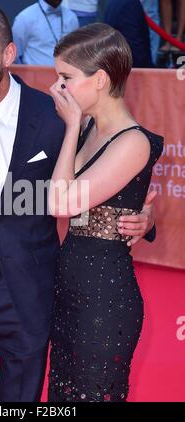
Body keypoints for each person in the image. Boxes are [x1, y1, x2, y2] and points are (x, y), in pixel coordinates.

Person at [0, 3, 156, 402]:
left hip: (28, 289)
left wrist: (144, 217)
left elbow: (100, 179)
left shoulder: (55, 115)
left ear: (8, 54)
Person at [48, 23, 163, 402]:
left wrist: (69, 129)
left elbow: (60, 203)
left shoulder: (133, 142)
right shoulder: (87, 129)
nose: (57, 88)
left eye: (66, 77)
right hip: (68, 293)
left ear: (99, 80)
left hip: (104, 302)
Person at [12, 0, 79, 65]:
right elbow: (15, 55)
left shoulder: (72, 18)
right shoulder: (25, 18)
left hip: (64, 74)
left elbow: (75, 52)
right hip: (34, 75)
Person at [102, 0, 153, 68]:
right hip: (130, 71)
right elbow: (136, 50)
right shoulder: (129, 6)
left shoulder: (122, 3)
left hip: (118, 66)